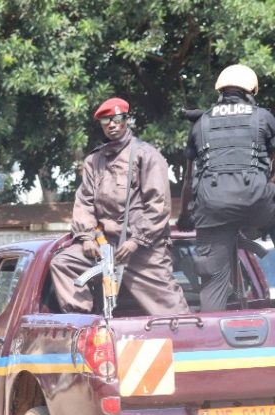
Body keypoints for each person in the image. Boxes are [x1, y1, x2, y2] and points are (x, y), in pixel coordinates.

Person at [50, 97, 188, 315]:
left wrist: (136, 241)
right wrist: (86, 237)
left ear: (127, 120)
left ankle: (186, 335)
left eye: (117, 119)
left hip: (142, 248)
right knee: (64, 262)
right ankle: (83, 324)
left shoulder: (146, 155)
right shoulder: (94, 160)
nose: (112, 125)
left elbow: (159, 205)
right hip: (105, 247)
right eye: (106, 121)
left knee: (172, 313)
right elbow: (84, 202)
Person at [178, 64, 275, 312]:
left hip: (212, 208)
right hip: (257, 201)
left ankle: (213, 331)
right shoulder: (263, 117)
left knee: (213, 284)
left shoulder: (201, 123)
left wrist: (185, 216)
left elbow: (189, 178)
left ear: (220, 92)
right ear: (251, 92)